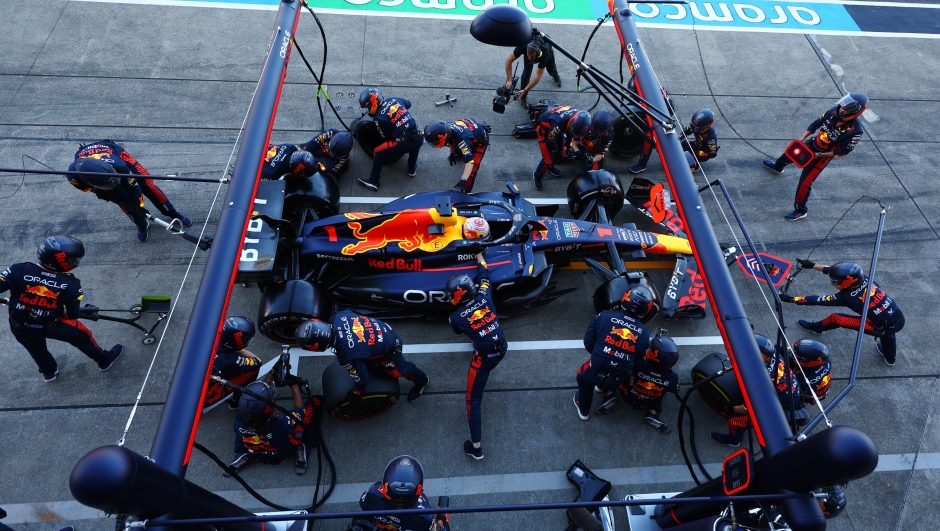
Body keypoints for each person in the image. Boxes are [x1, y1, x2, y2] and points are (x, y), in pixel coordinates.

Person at [0, 235, 122, 381]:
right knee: (83, 336)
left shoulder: (17, 270)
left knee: (36, 349)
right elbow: (71, 315)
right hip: (53, 325)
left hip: (20, 325)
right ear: (59, 260)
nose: (75, 263)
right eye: (72, 260)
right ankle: (104, 361)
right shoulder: (71, 285)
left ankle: (49, 372)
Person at [762, 93, 867, 220]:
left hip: (821, 157)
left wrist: (819, 155)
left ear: (854, 112)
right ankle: (777, 167)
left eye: (845, 109)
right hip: (812, 144)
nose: (841, 109)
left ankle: (801, 210)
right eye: (842, 106)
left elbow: (843, 151)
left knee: (804, 184)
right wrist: (800, 140)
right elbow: (815, 124)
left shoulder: (855, 131)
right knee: (787, 155)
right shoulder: (832, 111)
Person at [780, 259, 904, 366]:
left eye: (836, 281)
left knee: (836, 318)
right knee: (888, 335)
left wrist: (791, 299)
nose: (834, 282)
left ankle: (816, 328)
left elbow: (818, 300)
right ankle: (890, 358)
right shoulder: (865, 278)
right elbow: (835, 271)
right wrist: (813, 265)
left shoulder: (848, 297)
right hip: (898, 316)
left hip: (880, 326)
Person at [446, 251, 505, 460]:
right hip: (502, 347)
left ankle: (476, 447)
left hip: (485, 358)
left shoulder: (455, 318)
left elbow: (459, 330)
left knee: (472, 399)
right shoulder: (484, 295)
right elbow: (485, 277)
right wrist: (479, 256)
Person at [294, 311, 430, 402]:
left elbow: (362, 377)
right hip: (383, 327)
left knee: (397, 371)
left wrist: (357, 392)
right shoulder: (337, 316)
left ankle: (422, 381)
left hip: (391, 345)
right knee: (363, 357)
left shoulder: (346, 356)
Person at [70, 140, 192, 240]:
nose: (114, 184)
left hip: (116, 157)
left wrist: (140, 207)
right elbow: (92, 189)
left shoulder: (121, 167)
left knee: (148, 186)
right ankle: (141, 224)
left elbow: (135, 190)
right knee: (123, 201)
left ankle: (172, 213)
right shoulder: (73, 177)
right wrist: (100, 193)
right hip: (99, 176)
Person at [574, 286, 654, 422]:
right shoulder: (645, 333)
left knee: (583, 379)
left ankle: (583, 411)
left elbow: (588, 342)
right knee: (617, 374)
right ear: (646, 310)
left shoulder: (604, 315)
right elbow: (639, 361)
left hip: (598, 365)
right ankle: (602, 387)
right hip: (621, 371)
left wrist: (603, 353)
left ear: (625, 299)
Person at [711, 334, 800, 447]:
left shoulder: (760, 379)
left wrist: (732, 408)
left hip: (781, 404)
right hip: (789, 390)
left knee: (735, 420)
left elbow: (749, 407)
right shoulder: (773, 352)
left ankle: (734, 440)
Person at [229, 377, 322, 476]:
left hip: (253, 450)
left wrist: (270, 375)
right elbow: (300, 411)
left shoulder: (238, 420)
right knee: (315, 403)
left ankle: (244, 453)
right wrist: (294, 386)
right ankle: (301, 447)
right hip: (281, 451)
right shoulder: (282, 422)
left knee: (241, 433)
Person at [598, 334, 680, 434]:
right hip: (650, 399)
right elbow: (675, 389)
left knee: (617, 373)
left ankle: (609, 394)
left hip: (628, 393)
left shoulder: (638, 363)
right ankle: (652, 413)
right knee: (661, 393)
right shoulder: (673, 377)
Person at [353, 455, 450, 531]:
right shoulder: (423, 518)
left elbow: (364, 504)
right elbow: (437, 528)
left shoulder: (370, 497)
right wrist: (442, 515)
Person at [358, 88, 423, 191]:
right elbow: (408, 104)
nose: (368, 110)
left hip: (403, 143)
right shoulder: (394, 99)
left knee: (377, 152)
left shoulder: (378, 118)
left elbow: (386, 137)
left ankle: (374, 181)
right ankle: (412, 169)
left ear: (372, 104)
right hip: (419, 137)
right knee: (415, 142)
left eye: (367, 107)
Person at [629, 108, 719, 174]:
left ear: (706, 127)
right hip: (695, 143)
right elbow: (685, 132)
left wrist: (697, 153)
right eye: (693, 126)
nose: (694, 129)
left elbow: (712, 154)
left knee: (685, 157)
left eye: (697, 128)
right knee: (682, 146)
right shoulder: (695, 125)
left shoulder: (710, 138)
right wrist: (677, 141)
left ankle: (695, 165)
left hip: (703, 153)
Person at [203, 316, 262, 411]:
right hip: (202, 399)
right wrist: (237, 350)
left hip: (186, 382)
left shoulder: (207, 337)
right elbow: (257, 361)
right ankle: (236, 402)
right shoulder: (230, 360)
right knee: (252, 370)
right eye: (245, 340)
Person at [423, 119, 490, 193]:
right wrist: (452, 153)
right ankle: (459, 154)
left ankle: (466, 191)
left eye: (436, 142)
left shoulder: (462, 140)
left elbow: (469, 161)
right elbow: (451, 140)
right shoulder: (447, 129)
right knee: (460, 147)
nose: (435, 144)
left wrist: (463, 180)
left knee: (473, 167)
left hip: (480, 140)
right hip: (469, 130)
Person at [533, 106, 591, 191]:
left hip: (558, 129)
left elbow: (572, 134)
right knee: (548, 160)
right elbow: (550, 140)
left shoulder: (578, 119)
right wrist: (556, 150)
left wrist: (564, 148)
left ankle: (550, 167)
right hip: (544, 130)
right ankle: (537, 175)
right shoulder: (559, 124)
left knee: (563, 154)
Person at [504, 34, 561, 107]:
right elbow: (509, 60)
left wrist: (525, 90)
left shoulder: (545, 51)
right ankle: (523, 97)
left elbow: (537, 76)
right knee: (526, 73)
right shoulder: (523, 45)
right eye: (528, 55)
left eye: (532, 56)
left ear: (537, 53)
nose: (530, 58)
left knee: (551, 66)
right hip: (531, 50)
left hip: (546, 49)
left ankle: (555, 75)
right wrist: (509, 80)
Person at [792, 338, 832, 403]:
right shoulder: (827, 362)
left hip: (812, 397)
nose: (793, 355)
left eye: (797, 356)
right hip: (823, 390)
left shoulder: (803, 376)